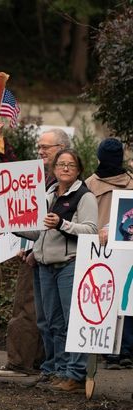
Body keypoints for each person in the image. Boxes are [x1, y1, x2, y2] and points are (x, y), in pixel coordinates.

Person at [0, 122, 71, 378]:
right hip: (36, 250)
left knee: (33, 310)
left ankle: (22, 363)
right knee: (41, 313)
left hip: (50, 256)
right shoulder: (47, 178)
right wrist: (0, 139)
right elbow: (16, 179)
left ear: (62, 148)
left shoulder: (64, 183)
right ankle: (38, 363)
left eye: (44, 147)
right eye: (39, 146)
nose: (40, 151)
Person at [14, 149, 98, 392]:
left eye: (71, 165)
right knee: (51, 323)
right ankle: (59, 370)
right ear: (53, 169)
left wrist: (63, 223)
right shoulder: (48, 194)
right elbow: (40, 231)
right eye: (61, 164)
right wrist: (13, 228)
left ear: (79, 169)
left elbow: (91, 231)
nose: (65, 168)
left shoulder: (84, 196)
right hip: (44, 266)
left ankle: (75, 373)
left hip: (69, 265)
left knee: (72, 323)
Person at [85, 138, 133, 369]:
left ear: (99, 157)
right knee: (127, 300)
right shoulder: (132, 182)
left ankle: (109, 351)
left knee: (104, 298)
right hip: (128, 248)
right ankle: (126, 351)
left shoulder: (89, 185)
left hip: (97, 250)